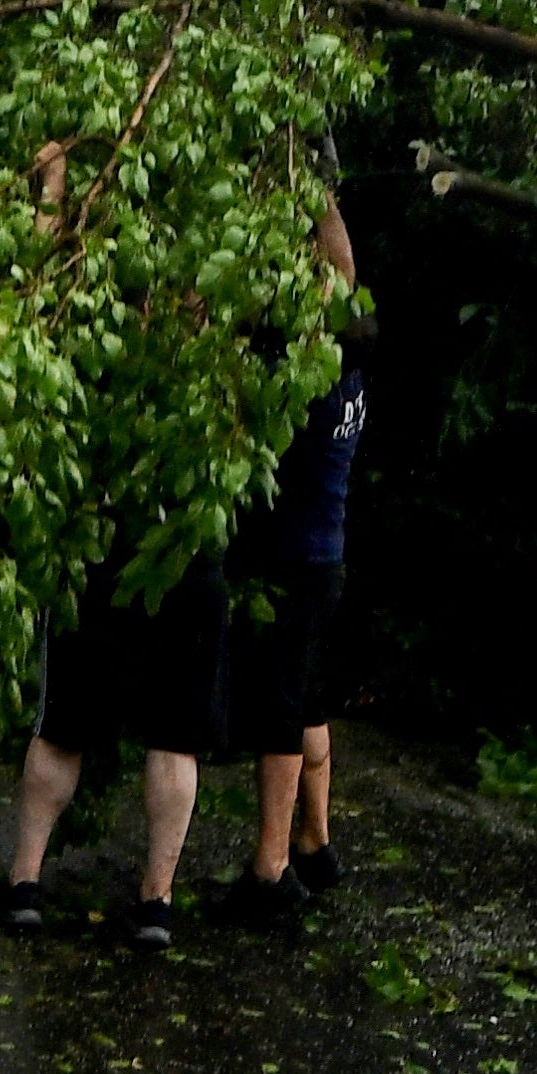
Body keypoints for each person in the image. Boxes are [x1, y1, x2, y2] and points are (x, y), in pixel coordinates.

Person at [223, 202, 370, 929]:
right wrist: (316, 193)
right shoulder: (349, 375)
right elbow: (341, 277)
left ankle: (270, 872)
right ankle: (316, 844)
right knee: (308, 703)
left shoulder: (300, 384)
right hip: (325, 561)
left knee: (280, 714)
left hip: (292, 563)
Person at [0, 529, 231, 953]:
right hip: (189, 554)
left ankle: (23, 885)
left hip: (98, 556)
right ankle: (156, 902)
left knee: (62, 727)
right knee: (174, 739)